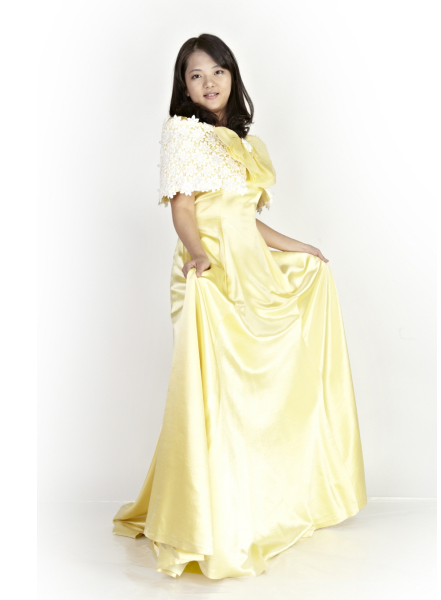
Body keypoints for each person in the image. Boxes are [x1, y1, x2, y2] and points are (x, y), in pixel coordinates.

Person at [112, 33, 366, 579]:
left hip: (250, 268)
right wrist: (198, 254)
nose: (208, 82)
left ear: (232, 76)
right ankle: (208, 522)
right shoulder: (183, 133)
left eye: (218, 71)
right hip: (210, 269)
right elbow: (184, 210)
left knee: (263, 387)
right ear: (184, 87)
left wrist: (299, 246)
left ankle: (260, 509)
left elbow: (245, 221)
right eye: (196, 75)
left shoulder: (243, 143)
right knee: (216, 391)